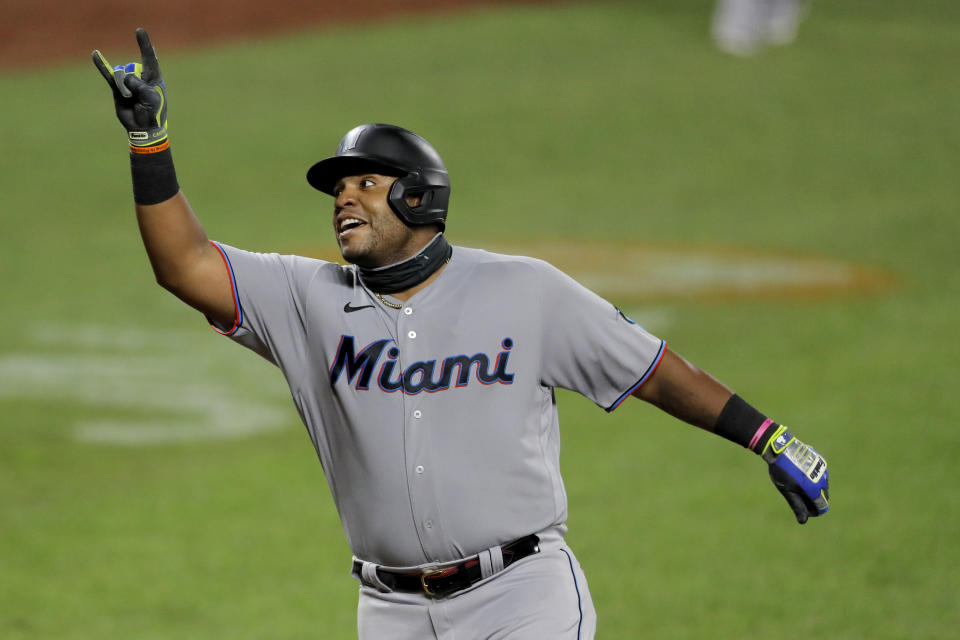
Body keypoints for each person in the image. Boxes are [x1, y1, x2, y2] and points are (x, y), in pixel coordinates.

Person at [92, 29, 829, 640]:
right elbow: (184, 264)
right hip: (390, 612)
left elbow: (653, 370)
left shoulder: (525, 290)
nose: (344, 197)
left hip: (521, 596)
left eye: (365, 183)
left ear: (420, 196)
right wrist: (149, 142)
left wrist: (767, 436)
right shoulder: (302, 298)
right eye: (337, 190)